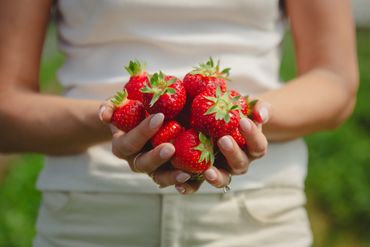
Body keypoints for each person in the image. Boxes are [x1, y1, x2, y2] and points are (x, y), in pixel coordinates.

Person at [0, 0, 358, 246]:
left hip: (256, 220)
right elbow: (6, 107)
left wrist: (244, 119)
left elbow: (335, 81)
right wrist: (113, 119)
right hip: (88, 217)